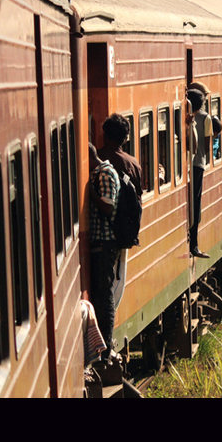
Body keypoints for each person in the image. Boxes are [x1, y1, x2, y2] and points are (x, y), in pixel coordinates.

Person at [97, 114, 142, 318]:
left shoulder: (95, 159)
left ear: (104, 135)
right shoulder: (132, 164)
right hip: (123, 231)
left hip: (99, 232)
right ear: (126, 138)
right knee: (116, 282)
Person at [88, 143, 121, 360]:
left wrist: (89, 192)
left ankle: (106, 347)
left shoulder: (105, 173)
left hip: (105, 243)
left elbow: (108, 206)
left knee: (105, 296)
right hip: (99, 243)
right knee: (101, 295)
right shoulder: (101, 172)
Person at [186, 85, 213, 258]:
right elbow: (208, 145)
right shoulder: (206, 118)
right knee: (195, 205)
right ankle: (194, 244)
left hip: (185, 167)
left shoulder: (184, 118)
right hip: (198, 164)